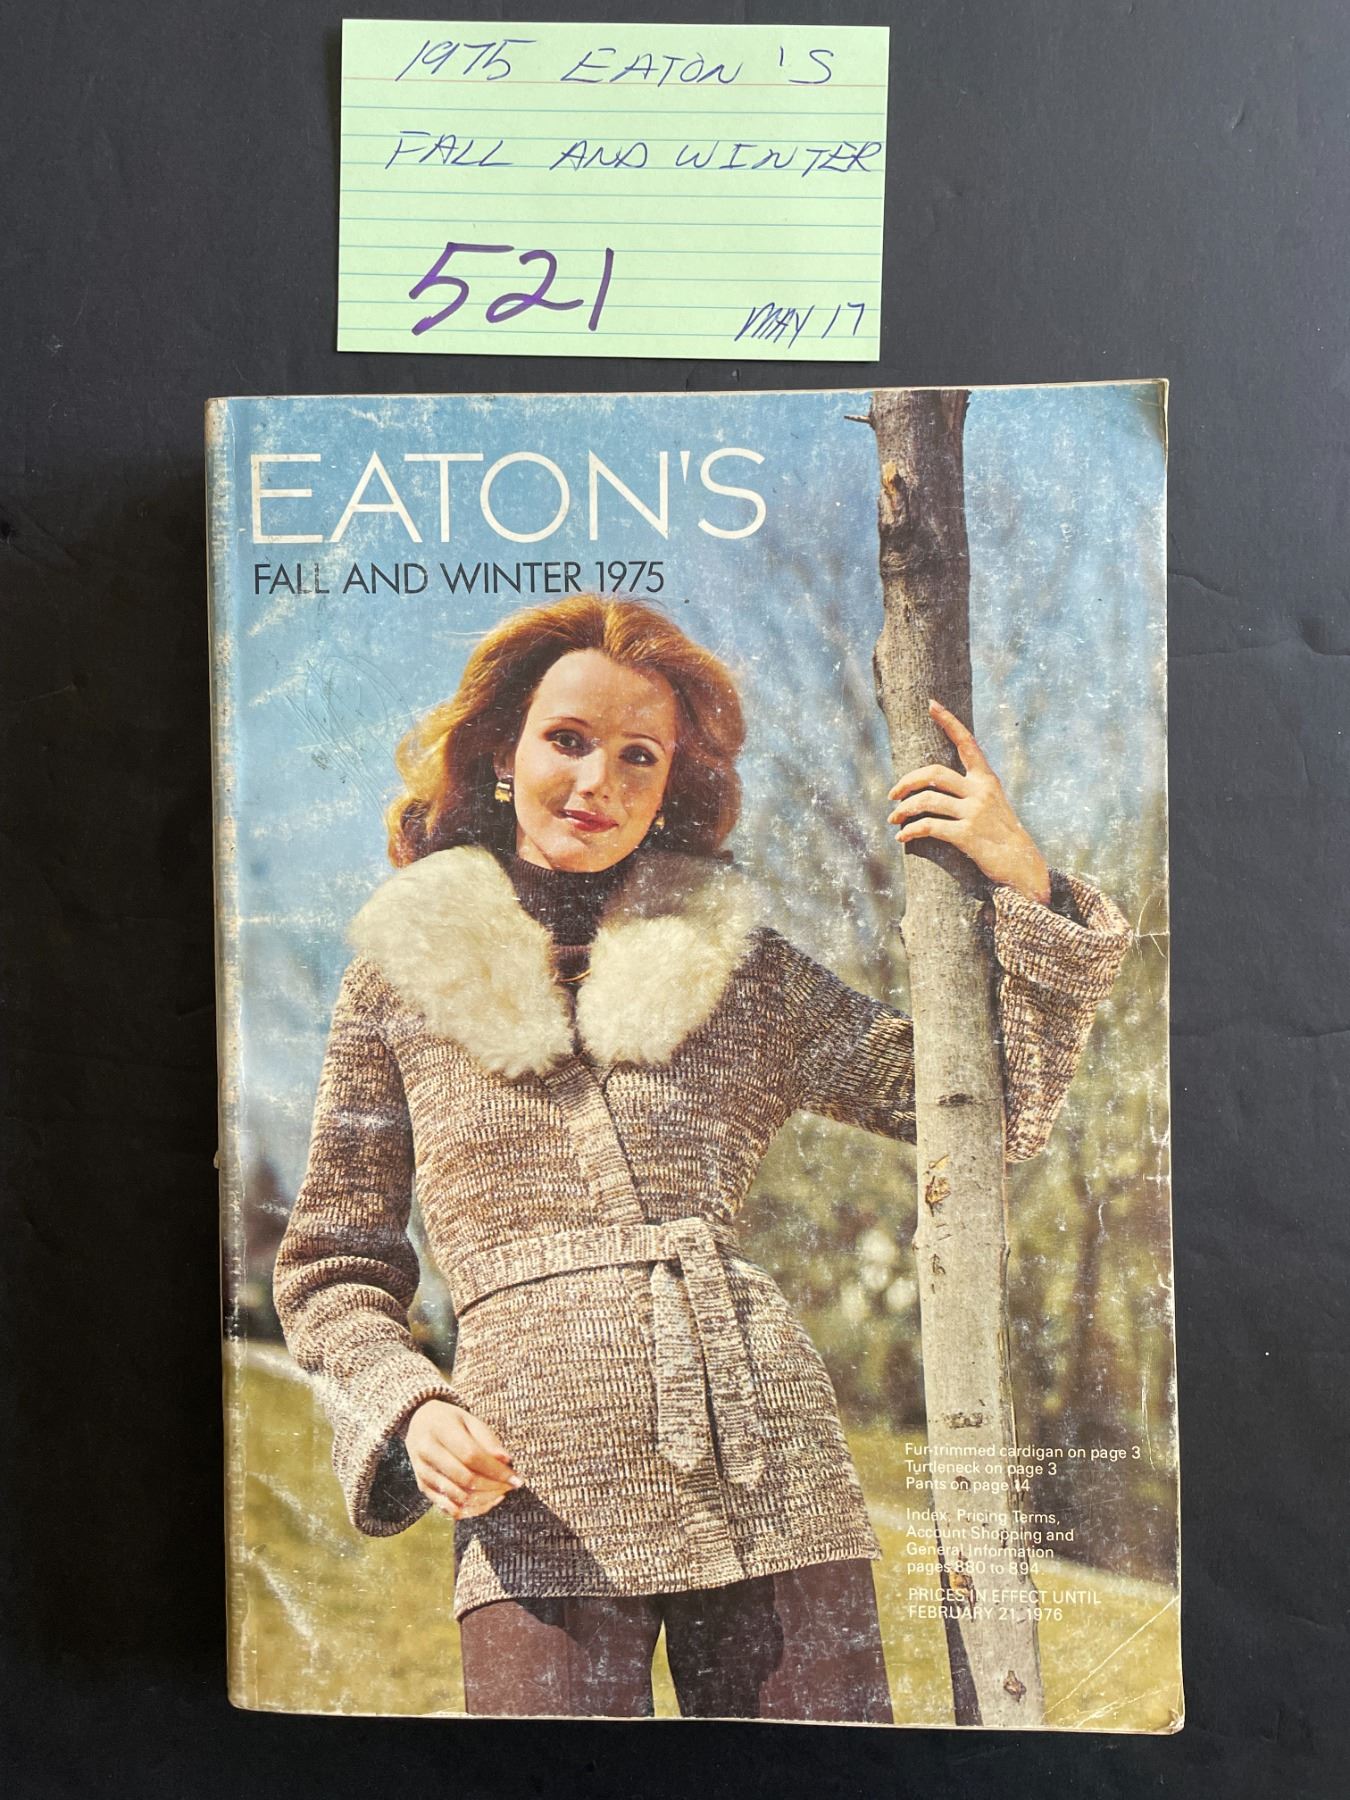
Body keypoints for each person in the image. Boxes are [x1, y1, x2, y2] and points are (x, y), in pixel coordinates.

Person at [272, 593, 1131, 1721]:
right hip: (532, 1485)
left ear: (674, 781)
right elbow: (330, 1268)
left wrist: (1028, 887)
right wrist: (411, 1407)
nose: (600, 781)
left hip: (773, 1467)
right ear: (499, 753)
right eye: (567, 740)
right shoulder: (394, 981)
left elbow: (987, 1113)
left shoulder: (737, 966)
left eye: (641, 755)